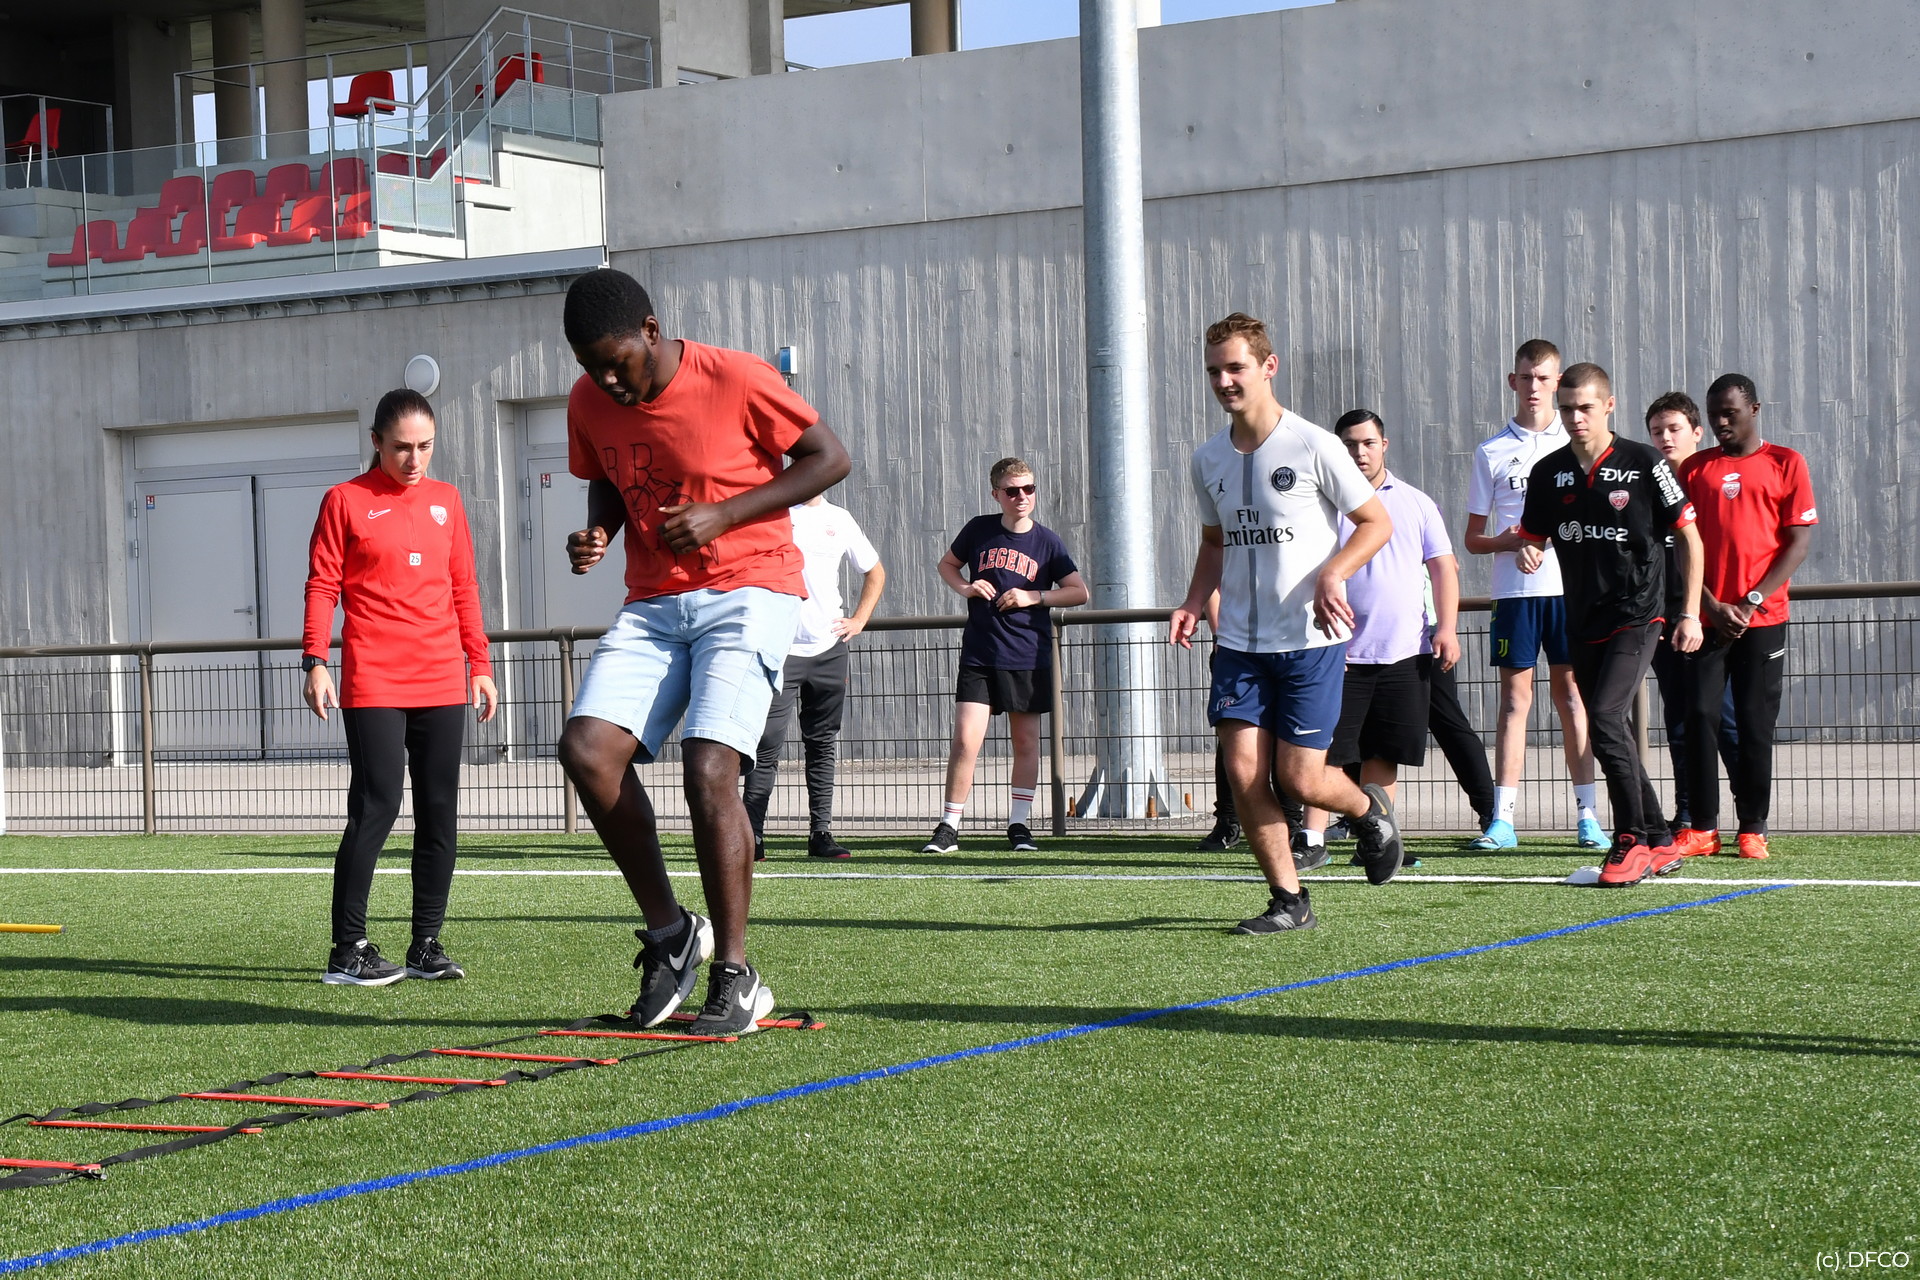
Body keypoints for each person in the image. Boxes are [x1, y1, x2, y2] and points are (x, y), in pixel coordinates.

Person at [555, 268, 851, 1035]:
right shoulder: (590, 398)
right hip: (655, 601)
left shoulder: (738, 376)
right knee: (587, 750)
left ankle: (737, 975)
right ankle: (672, 935)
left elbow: (829, 458)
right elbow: (609, 479)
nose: (608, 379)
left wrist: (728, 513)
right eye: (592, 366)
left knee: (709, 767)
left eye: (618, 360)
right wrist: (600, 534)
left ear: (652, 330)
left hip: (751, 587)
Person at [1170, 312, 1406, 936]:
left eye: (1236, 367)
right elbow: (1215, 542)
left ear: (1268, 367)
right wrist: (1195, 602)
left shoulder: (1313, 445)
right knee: (1245, 774)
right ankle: (1289, 900)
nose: (1224, 380)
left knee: (1297, 777)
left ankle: (1365, 808)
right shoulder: (1207, 458)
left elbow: (1376, 524)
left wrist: (1334, 573)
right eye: (1214, 370)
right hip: (1241, 645)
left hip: (1309, 641)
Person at [302, 388, 498, 986]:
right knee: (377, 806)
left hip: (442, 678)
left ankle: (426, 944)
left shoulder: (447, 501)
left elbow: (463, 586)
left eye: (426, 447)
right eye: (402, 448)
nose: (415, 460)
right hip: (376, 679)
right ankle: (348, 949)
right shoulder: (345, 500)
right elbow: (322, 585)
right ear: (376, 443)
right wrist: (314, 658)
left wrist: (480, 664)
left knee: (440, 813)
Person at [1517, 362, 1703, 886]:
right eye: (1568, 408)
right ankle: (1662, 841)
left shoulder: (1644, 462)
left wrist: (1689, 611)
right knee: (1610, 729)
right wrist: (1530, 553)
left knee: (1602, 716)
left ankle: (1631, 840)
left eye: (1586, 408)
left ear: (1608, 406)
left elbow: (1691, 537)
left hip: (1639, 615)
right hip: (1583, 618)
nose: (1576, 418)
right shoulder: (1548, 472)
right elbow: (1533, 536)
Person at [1298, 410, 1459, 874]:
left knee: (1384, 754)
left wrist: (1445, 628)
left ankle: (1378, 840)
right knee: (1323, 754)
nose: (1359, 452)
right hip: (1336, 654)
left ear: (1384, 444)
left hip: (1403, 653)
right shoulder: (1321, 504)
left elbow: (1443, 568)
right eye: (1349, 444)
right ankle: (1311, 840)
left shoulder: (1416, 503)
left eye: (1367, 443)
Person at [1464, 339, 1604, 850]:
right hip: (1515, 595)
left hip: (1569, 595)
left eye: (1545, 379)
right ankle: (1503, 820)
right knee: (1513, 702)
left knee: (1572, 698)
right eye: (1527, 378)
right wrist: (1515, 542)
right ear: (1513, 381)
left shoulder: (1579, 447)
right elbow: (1474, 538)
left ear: (1559, 382)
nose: (1535, 388)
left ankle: (1589, 815)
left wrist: (1546, 543)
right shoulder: (1492, 451)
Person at [1671, 374, 1818, 861]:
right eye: (1713, 413)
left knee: (1754, 724)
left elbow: (1797, 543)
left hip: (1763, 617)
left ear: (1755, 408)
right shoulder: (1693, 469)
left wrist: (1752, 599)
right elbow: (1680, 547)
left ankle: (1752, 827)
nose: (1719, 422)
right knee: (1698, 718)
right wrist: (1709, 603)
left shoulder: (1786, 462)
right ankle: (1702, 829)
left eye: (1729, 412)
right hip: (1708, 619)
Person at [922, 457, 1089, 853]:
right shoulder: (979, 529)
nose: (1021, 497)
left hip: (1027, 656)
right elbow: (947, 564)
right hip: (980, 652)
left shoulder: (1047, 541)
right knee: (965, 740)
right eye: (1012, 490)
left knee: (1026, 743)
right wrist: (964, 588)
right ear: (996, 493)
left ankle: (1019, 826)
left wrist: (1035, 595)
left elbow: (1079, 591)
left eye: (1028, 488)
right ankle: (949, 826)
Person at [741, 492, 886, 861]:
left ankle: (820, 835)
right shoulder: (771, 512)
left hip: (828, 650)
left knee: (821, 744)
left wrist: (859, 619)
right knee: (765, 744)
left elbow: (875, 571)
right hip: (780, 651)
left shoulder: (840, 518)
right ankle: (751, 836)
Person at [1643, 392, 1741, 836]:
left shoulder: (1708, 483)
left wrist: (1710, 610)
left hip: (1710, 621)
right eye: (1657, 431)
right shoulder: (1646, 486)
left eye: (1674, 429)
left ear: (1697, 433)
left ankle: (1750, 819)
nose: (1665, 438)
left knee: (1725, 720)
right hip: (1666, 622)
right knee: (1680, 722)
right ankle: (1688, 816)